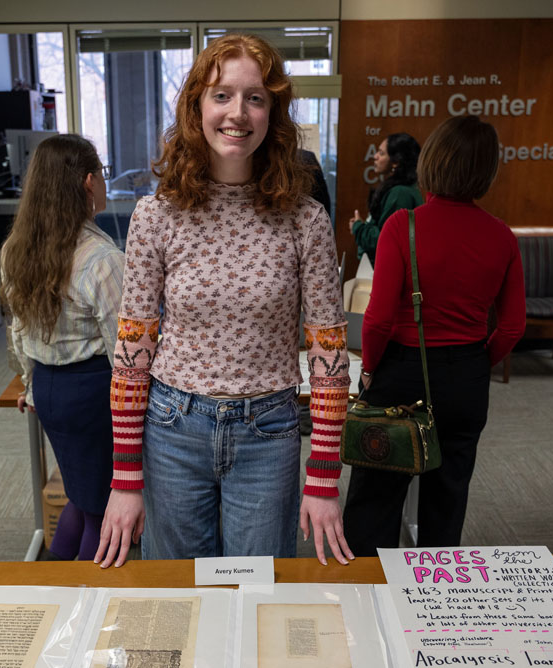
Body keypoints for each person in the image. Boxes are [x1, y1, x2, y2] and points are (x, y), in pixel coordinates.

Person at [95, 33, 354, 568]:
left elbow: (328, 359)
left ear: (272, 114)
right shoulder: (156, 216)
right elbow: (132, 353)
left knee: (255, 589)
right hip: (172, 428)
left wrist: (324, 477)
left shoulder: (305, 220)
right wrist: (125, 478)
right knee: (176, 592)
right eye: (222, 95)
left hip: (269, 432)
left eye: (255, 98)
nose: (237, 113)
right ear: (197, 107)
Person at [342, 115, 525, 553]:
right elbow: (512, 326)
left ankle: (370, 588)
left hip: (401, 372)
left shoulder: (402, 226)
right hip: (467, 376)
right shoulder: (502, 236)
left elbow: (378, 319)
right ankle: (432, 592)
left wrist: (369, 369)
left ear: (433, 162)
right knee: (448, 500)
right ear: (488, 170)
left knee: (375, 499)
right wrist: (474, 363)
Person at [1, 134, 124, 561]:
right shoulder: (101, 259)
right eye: (102, 175)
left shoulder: (17, 248)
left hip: (50, 389)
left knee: (80, 496)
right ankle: (85, 592)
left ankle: (50, 579)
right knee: (102, 510)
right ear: (89, 182)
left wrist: (30, 385)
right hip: (94, 395)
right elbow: (123, 351)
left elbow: (19, 329)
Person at [348, 133, 422, 267]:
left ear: (396, 161)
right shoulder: (400, 189)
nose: (375, 156)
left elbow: (385, 240)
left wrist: (358, 227)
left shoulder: (400, 194)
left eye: (381, 153)